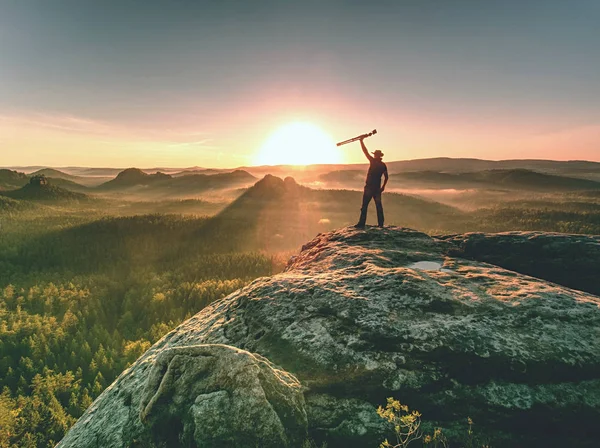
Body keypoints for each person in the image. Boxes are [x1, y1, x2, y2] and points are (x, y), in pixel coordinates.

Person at [354, 137, 388, 228]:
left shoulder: (373, 161)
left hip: (369, 187)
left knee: (364, 206)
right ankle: (380, 224)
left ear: (376, 155)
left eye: (375, 155)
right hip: (377, 188)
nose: (374, 156)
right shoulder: (383, 165)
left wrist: (361, 141)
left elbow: (365, 151)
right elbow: (386, 176)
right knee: (378, 206)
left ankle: (361, 223)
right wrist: (383, 187)